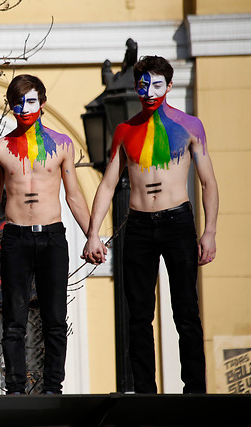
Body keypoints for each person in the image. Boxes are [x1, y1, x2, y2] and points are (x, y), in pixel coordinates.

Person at [82, 55, 218, 394]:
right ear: (135, 86)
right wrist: (92, 234)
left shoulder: (190, 126)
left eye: (157, 84)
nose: (149, 90)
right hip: (139, 224)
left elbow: (208, 182)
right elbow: (108, 183)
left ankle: (195, 389)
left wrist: (210, 231)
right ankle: (145, 390)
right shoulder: (125, 130)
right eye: (143, 84)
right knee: (139, 314)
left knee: (186, 310)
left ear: (169, 86)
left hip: (177, 222)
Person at [0, 75, 91, 394]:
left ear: (42, 103)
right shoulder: (0, 148)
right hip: (16, 238)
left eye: (30, 101)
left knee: (55, 317)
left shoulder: (62, 144)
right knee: (14, 318)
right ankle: (14, 387)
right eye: (18, 102)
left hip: (52, 237)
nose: (24, 108)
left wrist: (92, 234)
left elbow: (74, 196)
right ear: (11, 106)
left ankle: (53, 386)